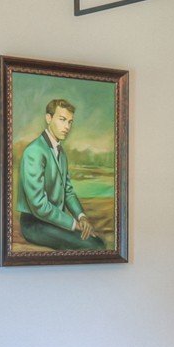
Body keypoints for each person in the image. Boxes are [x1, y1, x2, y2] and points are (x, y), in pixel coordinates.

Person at [15, 97, 107, 251]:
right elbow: (39, 205)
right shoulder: (34, 152)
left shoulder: (61, 153)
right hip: (34, 224)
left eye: (70, 122)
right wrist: (73, 224)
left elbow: (68, 191)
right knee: (95, 245)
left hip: (55, 220)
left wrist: (81, 216)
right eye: (62, 120)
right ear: (48, 118)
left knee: (96, 242)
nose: (67, 127)